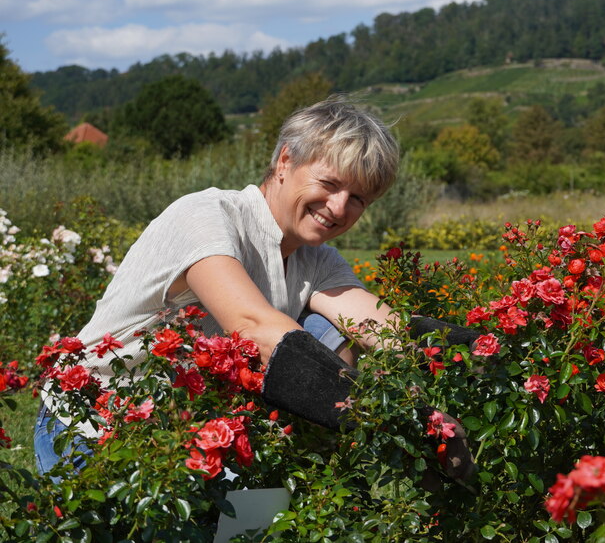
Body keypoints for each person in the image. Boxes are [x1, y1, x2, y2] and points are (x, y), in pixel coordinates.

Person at [35, 96, 475, 481]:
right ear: (285, 162)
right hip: (87, 425)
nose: (340, 208)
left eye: (359, 198)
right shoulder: (207, 216)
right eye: (329, 184)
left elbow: (388, 329)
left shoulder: (316, 259)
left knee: (328, 329)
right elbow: (253, 326)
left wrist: (502, 354)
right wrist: (414, 422)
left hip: (177, 435)